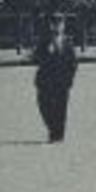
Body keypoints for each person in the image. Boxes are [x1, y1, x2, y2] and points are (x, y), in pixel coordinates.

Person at [33, 12, 79, 142]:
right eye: (55, 24)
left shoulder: (68, 42)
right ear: (51, 26)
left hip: (62, 81)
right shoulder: (44, 41)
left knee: (61, 108)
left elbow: (73, 63)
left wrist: (70, 79)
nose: (57, 27)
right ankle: (52, 128)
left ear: (63, 26)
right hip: (45, 82)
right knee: (44, 107)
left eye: (60, 24)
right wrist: (47, 51)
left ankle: (58, 134)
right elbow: (36, 59)